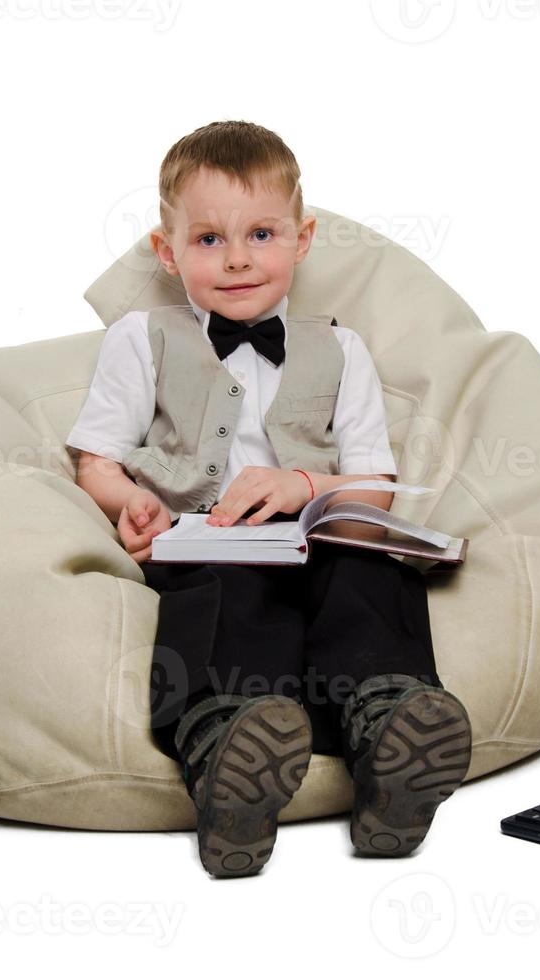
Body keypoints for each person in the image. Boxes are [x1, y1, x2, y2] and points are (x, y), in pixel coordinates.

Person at [65, 120, 471, 878]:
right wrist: (130, 507)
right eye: (209, 239)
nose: (239, 259)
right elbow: (96, 459)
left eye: (261, 234)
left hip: (311, 536)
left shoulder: (340, 348)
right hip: (205, 540)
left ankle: (391, 727)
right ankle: (227, 747)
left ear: (302, 237)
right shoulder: (141, 337)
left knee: (371, 569)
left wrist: (305, 486)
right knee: (219, 594)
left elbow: (373, 480)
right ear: (168, 250)